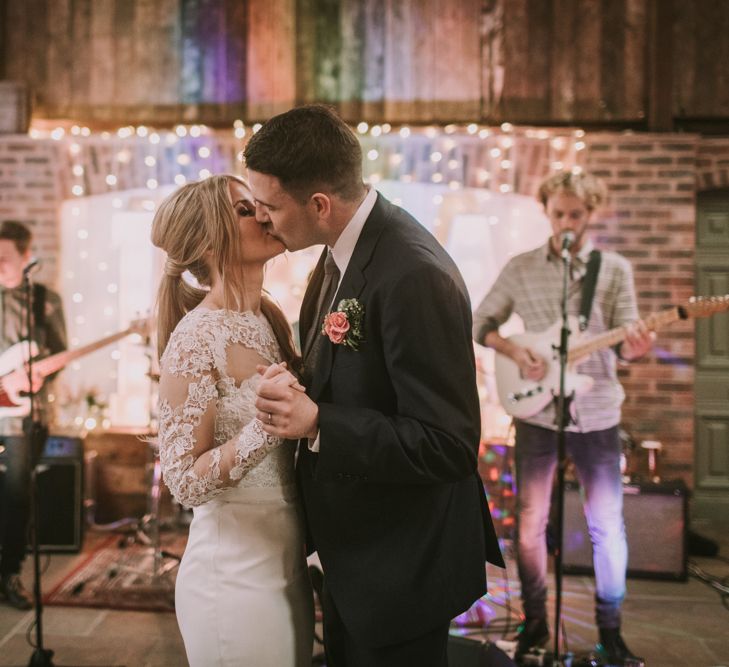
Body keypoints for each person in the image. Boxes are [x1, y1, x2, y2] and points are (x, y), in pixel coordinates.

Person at [246, 104, 504, 667]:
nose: (262, 219)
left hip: (401, 565)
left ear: (319, 204)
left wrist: (317, 422)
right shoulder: (341, 253)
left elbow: (449, 445)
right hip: (356, 556)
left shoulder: (413, 274)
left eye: (269, 206)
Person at [473, 170, 654, 665]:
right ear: (547, 213)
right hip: (536, 411)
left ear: (590, 214)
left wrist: (637, 347)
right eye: (559, 214)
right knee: (530, 523)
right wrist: (516, 350)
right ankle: (535, 621)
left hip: (596, 413)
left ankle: (610, 630)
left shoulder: (613, 269)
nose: (567, 222)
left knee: (607, 526)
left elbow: (629, 339)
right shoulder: (523, 267)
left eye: (576, 214)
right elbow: (481, 323)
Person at [152, 175, 314, 667]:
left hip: (287, 564)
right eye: (246, 211)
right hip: (233, 577)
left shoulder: (269, 319)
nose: (264, 213)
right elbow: (183, 482)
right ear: (208, 240)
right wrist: (267, 425)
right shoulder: (196, 337)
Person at [0, 220, 67, 610]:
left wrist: (42, 374)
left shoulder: (45, 300)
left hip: (23, 416)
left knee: (16, 496)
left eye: (6, 258)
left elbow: (59, 353)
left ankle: (10, 572)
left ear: (27, 257)